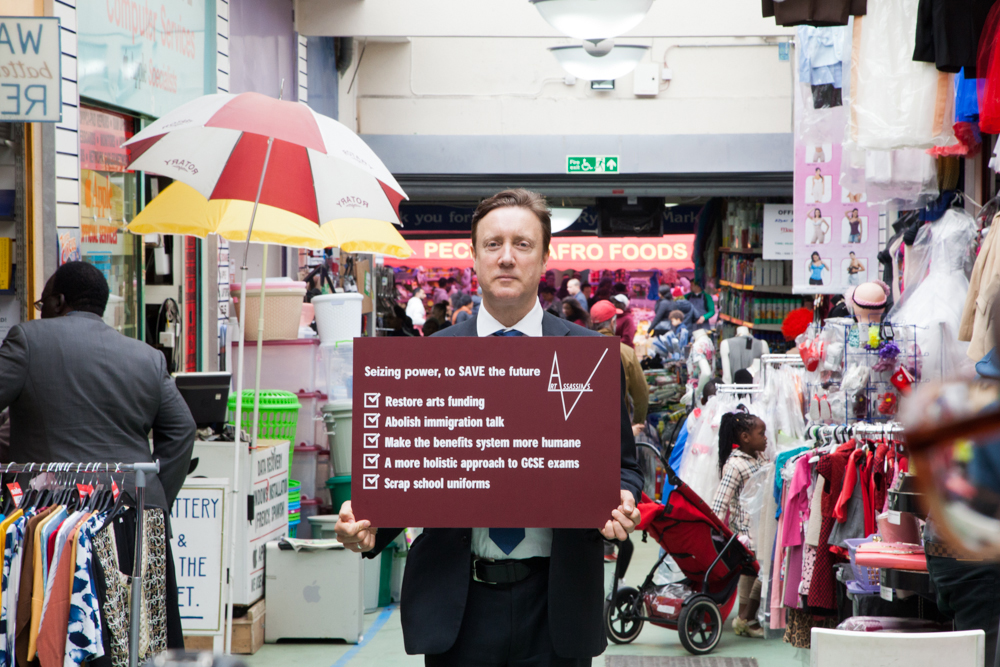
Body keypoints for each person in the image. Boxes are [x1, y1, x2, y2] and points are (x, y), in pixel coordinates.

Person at [334, 188, 644, 666]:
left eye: (522, 244)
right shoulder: (429, 359)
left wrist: (621, 499)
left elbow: (624, 467)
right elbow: (412, 470)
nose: (506, 257)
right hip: (458, 607)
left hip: (557, 604)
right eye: (493, 243)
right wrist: (371, 521)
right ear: (473, 256)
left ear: (544, 258)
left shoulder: (588, 358)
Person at [0, 261, 196, 650]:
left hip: (50, 524)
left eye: (42, 303)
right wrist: (152, 498)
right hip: (133, 519)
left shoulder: (27, 339)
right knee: (140, 639)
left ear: (58, 300)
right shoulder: (147, 357)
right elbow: (183, 431)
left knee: (54, 642)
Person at [710, 408, 768, 639]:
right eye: (761, 433)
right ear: (745, 437)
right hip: (746, 533)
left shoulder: (758, 457)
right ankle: (746, 616)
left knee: (750, 573)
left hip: (761, 527)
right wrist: (714, 532)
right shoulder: (735, 465)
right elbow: (719, 501)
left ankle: (745, 619)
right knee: (766, 570)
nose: (765, 438)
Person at [590, 300, 648, 436]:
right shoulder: (625, 352)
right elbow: (641, 393)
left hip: (588, 426)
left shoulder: (580, 350)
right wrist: (636, 423)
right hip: (618, 427)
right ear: (612, 323)